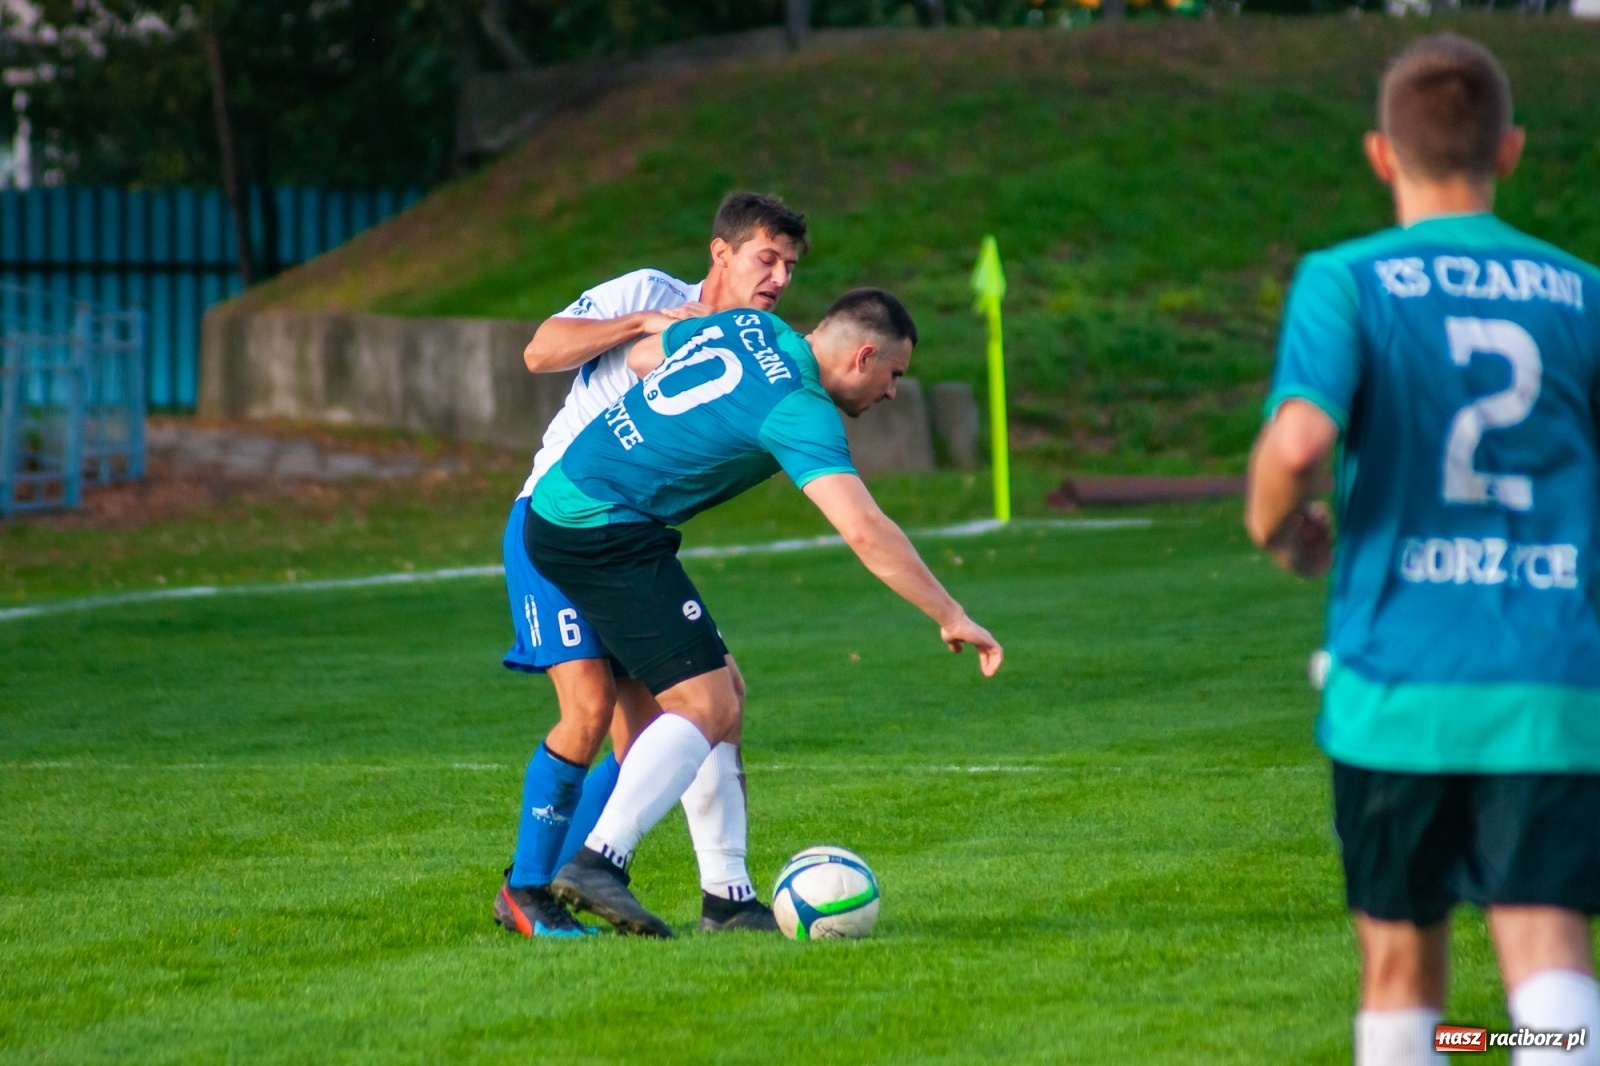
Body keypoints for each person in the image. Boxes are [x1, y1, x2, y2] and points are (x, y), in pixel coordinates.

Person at [1246, 35, 1599, 1066]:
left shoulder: (1345, 280)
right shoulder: (1583, 291)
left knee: (1401, 973)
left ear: (1379, 154)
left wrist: (1273, 526)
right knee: (1548, 961)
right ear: (1511, 149)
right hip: (1552, 675)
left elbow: (1301, 441)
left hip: (1398, 679)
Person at [522, 287, 1004, 938]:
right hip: (598, 524)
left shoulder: (751, 325)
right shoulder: (800, 409)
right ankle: (598, 860)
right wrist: (950, 613)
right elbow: (864, 530)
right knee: (703, 706)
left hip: (584, 508)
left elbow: (641, 358)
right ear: (863, 356)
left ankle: (727, 899)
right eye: (894, 376)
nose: (892, 393)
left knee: (727, 695)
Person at [494, 192, 808, 938]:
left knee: (662, 731)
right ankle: (529, 889)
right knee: (587, 708)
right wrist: (645, 322)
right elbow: (540, 351)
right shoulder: (647, 293)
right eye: (767, 258)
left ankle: (584, 878)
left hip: (628, 543)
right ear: (720, 253)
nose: (779, 278)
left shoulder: (757, 341)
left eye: (791, 267)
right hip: (553, 517)